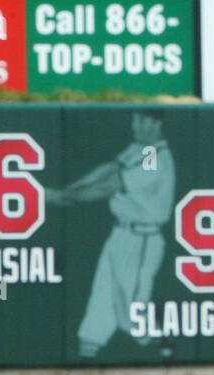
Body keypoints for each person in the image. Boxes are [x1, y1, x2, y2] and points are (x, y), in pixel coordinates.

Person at [49, 109, 175, 359]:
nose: (137, 125)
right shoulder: (140, 149)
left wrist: (67, 197)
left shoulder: (156, 157)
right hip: (121, 233)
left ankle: (165, 352)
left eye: (144, 120)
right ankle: (87, 355)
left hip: (142, 238)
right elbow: (108, 170)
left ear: (157, 124)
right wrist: (67, 190)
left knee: (133, 312)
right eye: (135, 119)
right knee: (102, 300)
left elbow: (112, 185)